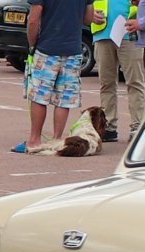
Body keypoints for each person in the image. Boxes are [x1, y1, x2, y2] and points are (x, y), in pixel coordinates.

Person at [12, 0, 95, 153]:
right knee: (64, 98)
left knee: (39, 95)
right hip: (73, 49)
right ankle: (56, 140)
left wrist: (32, 43)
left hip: (47, 48)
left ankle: (34, 140)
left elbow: (33, 19)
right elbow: (88, 18)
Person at [91, 0, 145, 142]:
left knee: (135, 82)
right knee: (106, 83)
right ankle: (109, 126)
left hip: (130, 33)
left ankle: (137, 126)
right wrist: (91, 15)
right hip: (102, 33)